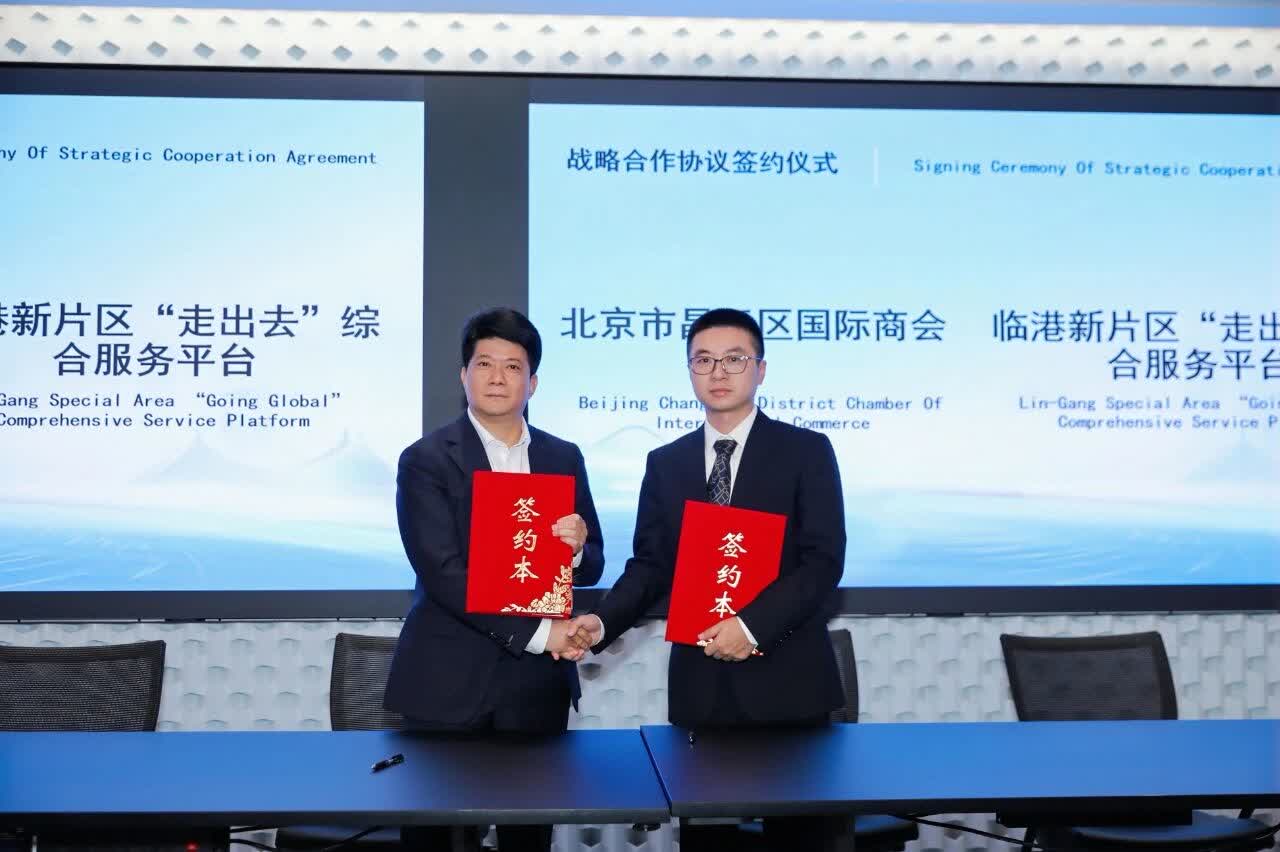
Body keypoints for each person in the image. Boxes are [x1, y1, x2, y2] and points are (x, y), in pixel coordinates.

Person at [565, 307, 846, 851]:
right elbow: (650, 565)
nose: (718, 372)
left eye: (734, 359)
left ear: (760, 369)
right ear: (689, 371)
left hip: (789, 682)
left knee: (804, 841)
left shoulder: (806, 451)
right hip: (702, 689)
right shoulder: (665, 463)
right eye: (703, 360)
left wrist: (750, 626)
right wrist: (600, 622)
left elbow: (822, 561)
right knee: (708, 841)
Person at [385, 307, 604, 852]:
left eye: (513, 366)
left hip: (535, 688)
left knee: (528, 839)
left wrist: (577, 549)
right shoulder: (426, 460)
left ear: (534, 382)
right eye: (484, 364)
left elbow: (595, 560)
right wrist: (542, 634)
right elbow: (444, 575)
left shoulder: (562, 456)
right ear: (464, 375)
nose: (498, 377)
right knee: (434, 842)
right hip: (447, 683)